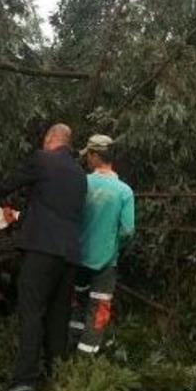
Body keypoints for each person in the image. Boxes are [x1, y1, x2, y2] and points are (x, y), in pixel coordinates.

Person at [0, 124, 87, 391]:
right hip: (69, 255)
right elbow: (54, 211)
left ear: (50, 139)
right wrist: (19, 217)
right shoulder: (80, 174)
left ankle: (24, 381)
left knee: (32, 311)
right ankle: (56, 377)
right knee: (58, 316)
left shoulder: (42, 159)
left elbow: (13, 180)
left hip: (41, 250)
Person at [70, 135, 135, 355]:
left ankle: (67, 352)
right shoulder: (124, 191)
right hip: (106, 262)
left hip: (77, 257)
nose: (87, 159)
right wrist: (113, 246)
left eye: (88, 155)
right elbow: (128, 231)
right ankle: (85, 359)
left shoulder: (82, 184)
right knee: (98, 309)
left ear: (95, 156)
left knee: (76, 304)